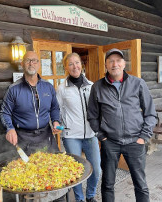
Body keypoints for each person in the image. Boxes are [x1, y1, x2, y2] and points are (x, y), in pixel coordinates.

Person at [87, 48, 157, 202]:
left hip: (135, 141)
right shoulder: (97, 87)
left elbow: (151, 113)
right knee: (107, 184)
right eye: (111, 61)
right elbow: (92, 115)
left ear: (124, 64)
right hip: (110, 142)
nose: (115, 64)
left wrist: (143, 137)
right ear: (106, 65)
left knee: (140, 184)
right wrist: (101, 136)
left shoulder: (138, 83)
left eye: (118, 60)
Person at [0, 51, 66, 202]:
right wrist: (9, 128)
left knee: (54, 173)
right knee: (30, 179)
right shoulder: (14, 89)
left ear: (39, 64)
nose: (31, 63)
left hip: (46, 137)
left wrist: (55, 121)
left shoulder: (48, 87)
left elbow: (55, 108)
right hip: (24, 139)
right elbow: (4, 112)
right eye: (28, 60)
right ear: (22, 64)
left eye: (35, 61)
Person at [56, 53, 101, 202]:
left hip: (90, 134)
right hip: (71, 136)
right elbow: (58, 112)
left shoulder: (92, 85)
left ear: (81, 65)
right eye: (71, 64)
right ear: (66, 68)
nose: (75, 66)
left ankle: (90, 195)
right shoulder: (62, 89)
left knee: (96, 170)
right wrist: (60, 126)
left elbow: (99, 109)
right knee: (76, 171)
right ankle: (80, 199)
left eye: (77, 63)